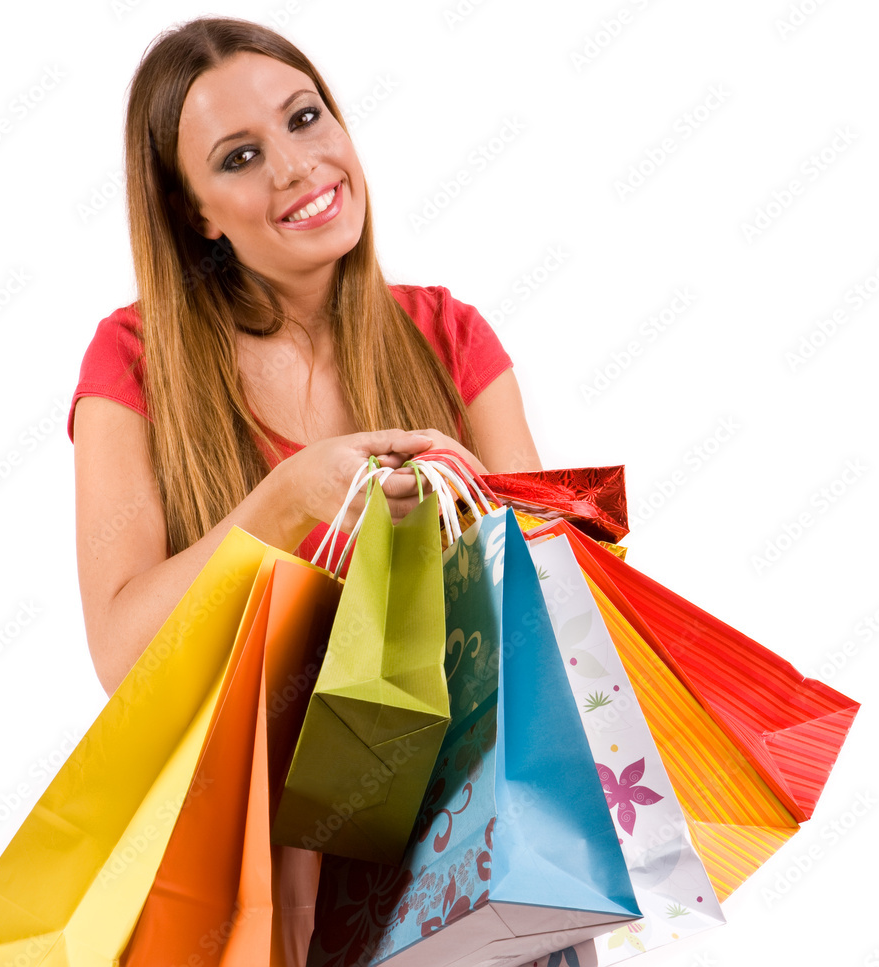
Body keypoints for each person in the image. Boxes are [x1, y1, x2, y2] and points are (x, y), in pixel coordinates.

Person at [68, 16, 541, 697]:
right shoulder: (135, 359)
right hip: (249, 802)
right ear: (196, 214)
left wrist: (468, 506)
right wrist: (287, 500)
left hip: (460, 794)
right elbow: (121, 658)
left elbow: (548, 606)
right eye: (240, 157)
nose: (296, 166)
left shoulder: (452, 336)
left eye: (305, 117)